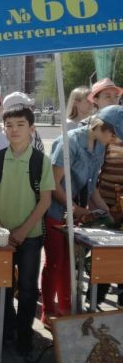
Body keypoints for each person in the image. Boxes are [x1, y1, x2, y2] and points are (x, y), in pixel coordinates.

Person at [0, 105, 54, 356]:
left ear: (32, 129)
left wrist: (23, 230)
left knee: (27, 288)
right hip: (1, 236)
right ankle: (7, 329)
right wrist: (0, 227)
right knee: (2, 286)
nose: (14, 130)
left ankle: (25, 335)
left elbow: (45, 200)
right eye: (9, 125)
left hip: (30, 237)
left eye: (20, 125)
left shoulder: (40, 161)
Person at [41, 106, 121, 327]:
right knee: (55, 262)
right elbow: (53, 183)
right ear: (101, 127)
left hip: (76, 214)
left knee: (70, 262)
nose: (114, 140)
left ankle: (66, 308)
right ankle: (49, 311)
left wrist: (106, 212)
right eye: (113, 134)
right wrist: (75, 207)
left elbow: (92, 187)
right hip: (55, 211)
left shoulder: (100, 147)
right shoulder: (69, 142)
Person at [90, 79, 123, 306]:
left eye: (115, 96)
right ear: (96, 101)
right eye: (107, 96)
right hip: (103, 200)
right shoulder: (96, 132)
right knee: (102, 253)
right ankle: (94, 299)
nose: (113, 99)